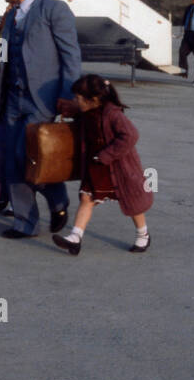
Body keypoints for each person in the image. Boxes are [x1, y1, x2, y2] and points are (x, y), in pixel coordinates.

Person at [0, 0, 82, 239]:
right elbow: (2, 55)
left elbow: (71, 57)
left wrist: (68, 96)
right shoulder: (12, 15)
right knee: (12, 161)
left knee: (27, 156)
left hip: (43, 99)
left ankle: (58, 199)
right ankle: (24, 223)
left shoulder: (54, 10)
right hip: (12, 98)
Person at [53, 76, 152, 254]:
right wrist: (65, 107)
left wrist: (107, 155)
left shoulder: (113, 114)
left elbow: (131, 136)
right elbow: (78, 111)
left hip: (118, 167)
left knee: (131, 200)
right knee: (87, 198)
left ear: (94, 100)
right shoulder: (88, 111)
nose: (76, 101)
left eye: (79, 99)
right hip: (96, 165)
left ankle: (143, 234)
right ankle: (75, 237)